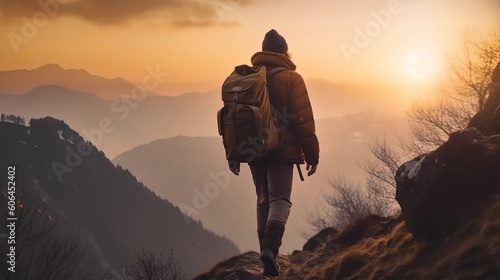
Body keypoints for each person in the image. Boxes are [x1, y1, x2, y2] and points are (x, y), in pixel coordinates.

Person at [228, 29, 320, 277]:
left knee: (262, 200)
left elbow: (234, 121)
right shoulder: (292, 78)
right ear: (284, 52)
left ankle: (266, 256)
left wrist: (234, 154)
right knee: (280, 198)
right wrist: (312, 153)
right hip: (282, 149)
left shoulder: (247, 78)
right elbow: (303, 120)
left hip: (254, 149)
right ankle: (270, 250)